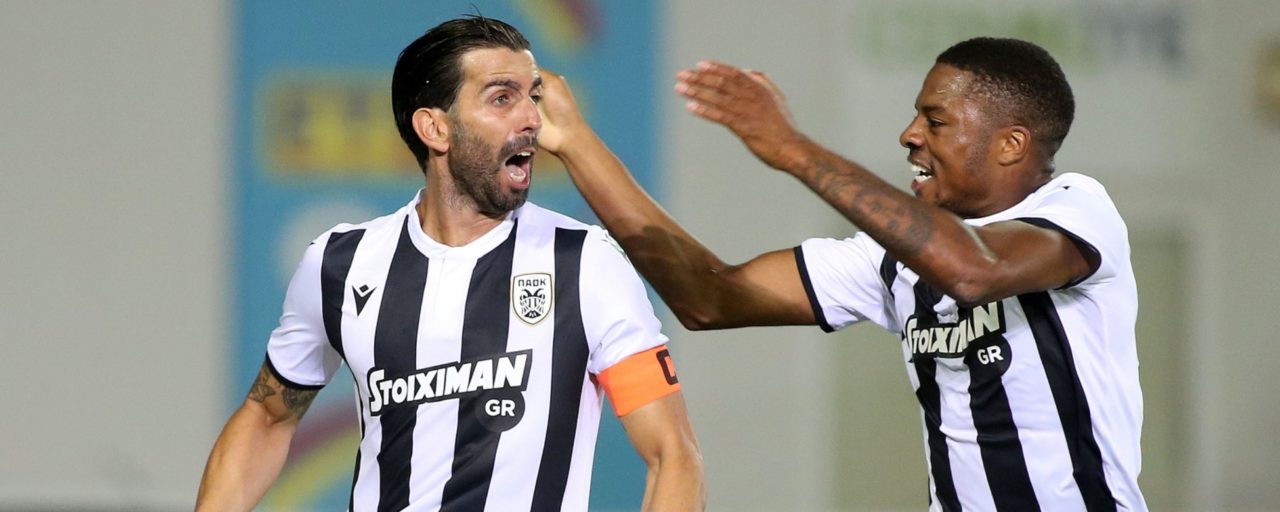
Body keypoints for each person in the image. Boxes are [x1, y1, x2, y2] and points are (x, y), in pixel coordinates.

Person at [537, 37, 1145, 511]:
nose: (910, 135)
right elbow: (709, 298)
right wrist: (577, 143)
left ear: (1011, 144)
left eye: (935, 121)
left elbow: (974, 269)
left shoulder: (1077, 209)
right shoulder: (892, 259)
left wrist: (790, 147)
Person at [196, 16, 704, 512]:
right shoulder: (341, 264)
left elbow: (673, 457)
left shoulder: (584, 262)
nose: (532, 118)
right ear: (435, 128)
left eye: (533, 96)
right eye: (502, 98)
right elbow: (267, 417)